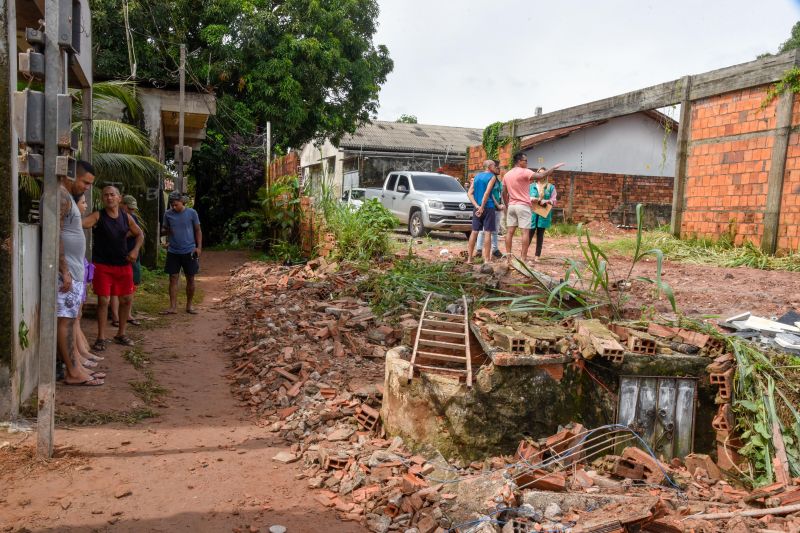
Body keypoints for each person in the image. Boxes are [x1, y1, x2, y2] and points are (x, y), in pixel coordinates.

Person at [57, 160, 103, 386]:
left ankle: (75, 367)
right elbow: (54, 233)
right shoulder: (62, 196)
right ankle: (73, 371)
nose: (87, 187)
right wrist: (63, 269)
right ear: (71, 175)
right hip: (66, 272)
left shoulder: (68, 197)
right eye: (85, 182)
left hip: (74, 270)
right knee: (65, 321)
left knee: (70, 320)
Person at [82, 186, 144, 349]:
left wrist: (135, 250)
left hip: (123, 264)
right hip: (103, 265)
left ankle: (121, 334)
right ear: (102, 199)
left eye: (112, 195)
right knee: (103, 300)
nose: (109, 198)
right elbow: (83, 223)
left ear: (119, 198)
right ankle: (101, 337)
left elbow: (140, 234)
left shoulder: (126, 217)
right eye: (106, 195)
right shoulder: (98, 215)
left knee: (127, 299)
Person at [501, 152, 564, 264]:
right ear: (519, 161)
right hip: (523, 206)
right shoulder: (525, 171)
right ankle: (523, 259)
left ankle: (508, 259)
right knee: (525, 232)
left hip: (511, 206)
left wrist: (508, 205)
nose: (527, 163)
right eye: (525, 161)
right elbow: (540, 176)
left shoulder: (507, 175)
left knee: (509, 232)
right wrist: (553, 168)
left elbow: (503, 193)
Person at [162, 191, 202, 314]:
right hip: (173, 251)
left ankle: (189, 306)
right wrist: (167, 232)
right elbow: (164, 230)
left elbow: (198, 230)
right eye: (172, 205)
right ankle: (172, 306)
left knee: (190, 278)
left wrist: (198, 247)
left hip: (189, 250)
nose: (174, 207)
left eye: (176, 204)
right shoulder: (168, 214)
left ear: (182, 202)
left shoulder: (192, 213)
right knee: (173, 278)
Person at [110, 195, 143, 327]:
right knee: (114, 288)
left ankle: (127, 314)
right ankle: (116, 317)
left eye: (133, 209)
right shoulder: (112, 217)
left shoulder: (132, 218)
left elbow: (139, 233)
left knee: (131, 287)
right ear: (122, 204)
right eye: (129, 208)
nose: (131, 211)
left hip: (132, 256)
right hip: (117, 257)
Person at [466, 160, 498, 264]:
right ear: (489, 166)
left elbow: (469, 193)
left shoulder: (477, 176)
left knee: (474, 231)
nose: (496, 167)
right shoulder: (492, 177)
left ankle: (470, 259)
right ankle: (487, 260)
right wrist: (482, 207)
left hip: (477, 208)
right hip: (488, 207)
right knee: (487, 232)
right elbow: (487, 193)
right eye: (494, 165)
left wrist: (477, 206)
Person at [527, 168, 558, 262]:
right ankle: (523, 254)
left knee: (540, 235)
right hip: (532, 212)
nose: (541, 175)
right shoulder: (531, 186)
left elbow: (554, 200)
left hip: (543, 213)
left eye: (544, 173)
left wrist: (547, 201)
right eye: (539, 173)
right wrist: (531, 198)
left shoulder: (550, 187)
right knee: (529, 233)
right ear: (536, 175)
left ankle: (537, 256)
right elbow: (525, 197)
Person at [476, 159, 504, 258]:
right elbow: (490, 195)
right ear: (492, 167)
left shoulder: (498, 181)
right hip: (490, 207)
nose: (499, 169)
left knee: (495, 230)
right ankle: (479, 249)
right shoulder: (490, 179)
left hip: (496, 208)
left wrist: (502, 205)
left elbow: (500, 194)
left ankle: (495, 249)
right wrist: (498, 205)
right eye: (497, 167)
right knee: (484, 230)